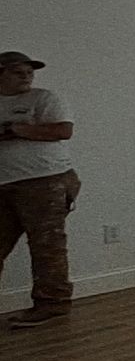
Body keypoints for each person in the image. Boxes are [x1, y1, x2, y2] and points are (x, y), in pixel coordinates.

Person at [0, 51, 80, 328]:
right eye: (17, 72)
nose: (26, 77)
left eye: (29, 72)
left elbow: (63, 131)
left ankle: (52, 304)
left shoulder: (44, 98)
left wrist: (17, 130)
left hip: (45, 181)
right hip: (4, 183)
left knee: (46, 245)